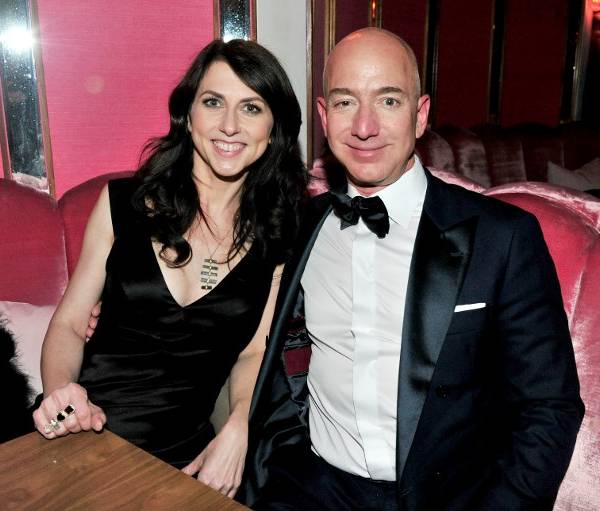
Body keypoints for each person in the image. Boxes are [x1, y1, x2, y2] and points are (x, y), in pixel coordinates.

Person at [241, 28, 584, 510]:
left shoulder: (501, 237)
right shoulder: (300, 226)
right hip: (312, 488)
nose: (364, 127)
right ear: (323, 116)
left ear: (420, 115)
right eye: (345, 102)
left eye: (388, 101)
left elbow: (550, 406)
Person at [32, 38, 306, 498]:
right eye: (213, 102)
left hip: (184, 460)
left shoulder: (278, 232)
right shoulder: (122, 203)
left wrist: (239, 425)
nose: (230, 125)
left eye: (251, 107)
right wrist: (62, 392)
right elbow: (71, 322)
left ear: (273, 127)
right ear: (188, 113)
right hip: (81, 435)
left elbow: (254, 351)